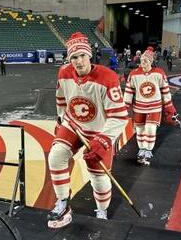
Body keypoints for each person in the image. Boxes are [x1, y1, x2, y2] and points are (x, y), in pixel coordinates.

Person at [46, 32, 128, 228]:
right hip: (73, 125)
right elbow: (61, 100)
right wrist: (60, 121)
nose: (79, 61)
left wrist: (103, 140)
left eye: (82, 55)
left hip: (99, 131)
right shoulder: (64, 73)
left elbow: (120, 116)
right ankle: (63, 204)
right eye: (74, 57)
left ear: (90, 55)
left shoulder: (108, 77)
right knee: (56, 156)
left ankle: (102, 210)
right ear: (69, 59)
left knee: (98, 176)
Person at [123, 48, 178, 166]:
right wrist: (125, 106)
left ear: (151, 61)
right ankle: (141, 150)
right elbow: (128, 91)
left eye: (146, 60)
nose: (143, 62)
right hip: (139, 107)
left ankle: (148, 151)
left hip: (154, 107)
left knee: (150, 129)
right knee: (140, 130)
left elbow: (165, 91)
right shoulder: (134, 74)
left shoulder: (159, 73)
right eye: (142, 60)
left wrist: (169, 106)